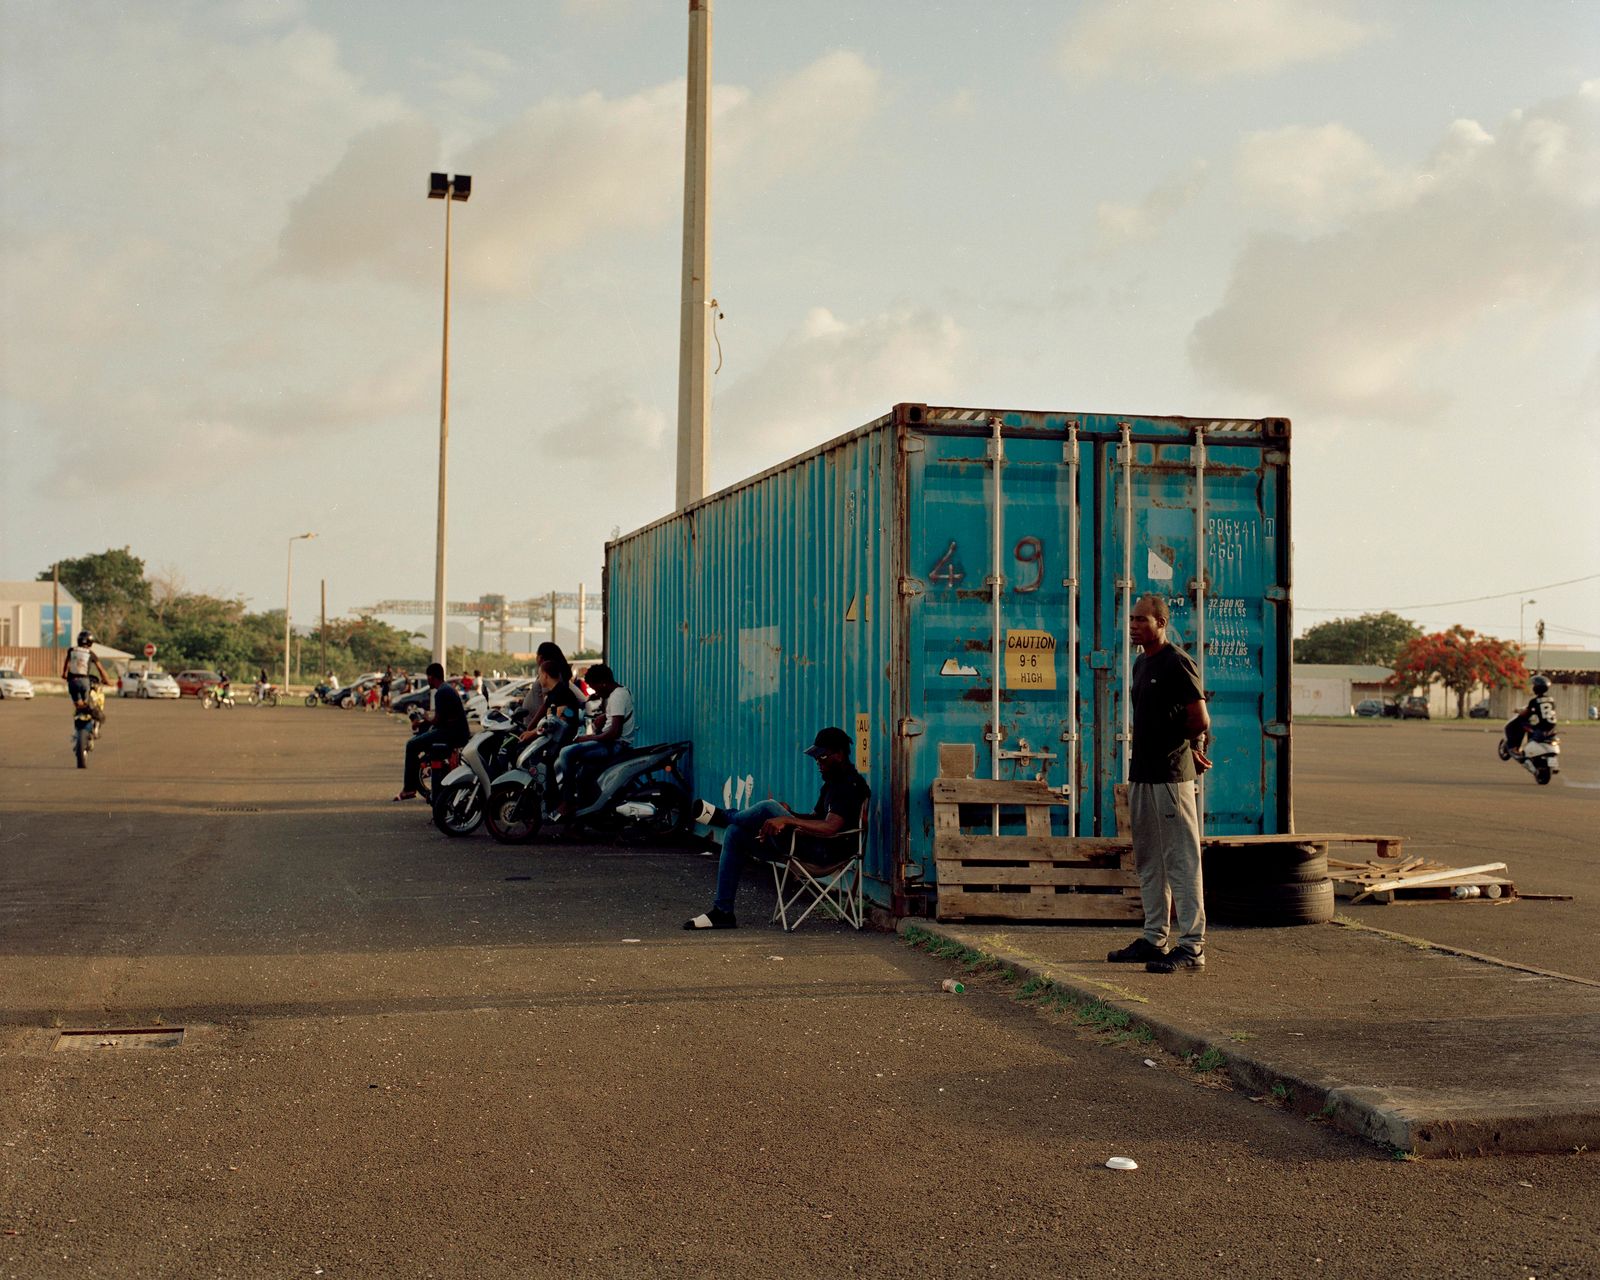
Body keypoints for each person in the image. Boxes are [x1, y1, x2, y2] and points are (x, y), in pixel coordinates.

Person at [1106, 594, 1212, 974]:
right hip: (1143, 773)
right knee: (1150, 858)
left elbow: (1200, 719)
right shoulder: (1140, 664)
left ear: (1161, 624)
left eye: (1141, 621)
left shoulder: (1177, 662)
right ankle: (1154, 939)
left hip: (1170, 775)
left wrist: (1185, 747)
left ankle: (1192, 947)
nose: (1134, 626)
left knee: (1181, 859)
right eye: (1131, 620)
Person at [683, 726, 870, 931]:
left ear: (840, 755)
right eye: (816, 758)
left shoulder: (849, 785)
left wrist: (787, 820)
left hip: (826, 853)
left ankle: (724, 816)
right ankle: (723, 912)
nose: (818, 763)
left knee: (767, 807)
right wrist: (789, 814)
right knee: (735, 834)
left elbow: (830, 828)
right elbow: (817, 818)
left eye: (822, 757)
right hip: (807, 846)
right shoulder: (832, 784)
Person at [552, 664, 634, 821]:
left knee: (566, 753)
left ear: (603, 683)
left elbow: (613, 733)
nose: (595, 692)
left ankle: (568, 801)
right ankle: (585, 811)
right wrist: (604, 716)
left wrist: (587, 738)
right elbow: (615, 719)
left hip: (615, 745)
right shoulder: (619, 692)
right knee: (582, 772)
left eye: (595, 687)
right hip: (613, 743)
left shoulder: (617, 696)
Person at [394, 662, 470, 801]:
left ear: (432, 677)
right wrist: (425, 721)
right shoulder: (447, 689)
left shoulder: (441, 692)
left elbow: (437, 721)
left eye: (428, 676)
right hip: (456, 732)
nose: (427, 680)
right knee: (422, 738)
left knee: (411, 745)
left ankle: (409, 788)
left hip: (451, 734)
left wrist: (425, 718)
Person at [61, 630, 114, 728]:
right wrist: (107, 681)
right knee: (87, 703)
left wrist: (64, 674)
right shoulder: (91, 653)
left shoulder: (71, 650)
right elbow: (100, 669)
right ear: (91, 642)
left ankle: (79, 726)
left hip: (72, 682)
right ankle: (94, 713)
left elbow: (66, 664)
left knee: (79, 705)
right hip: (84, 681)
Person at [1504, 675, 1557, 757]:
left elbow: (1526, 713)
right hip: (1552, 728)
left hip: (1541, 729)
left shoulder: (1534, 701)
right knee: (1532, 726)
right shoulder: (1551, 700)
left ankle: (1516, 749)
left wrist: (1517, 711)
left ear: (1536, 688)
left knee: (1521, 725)